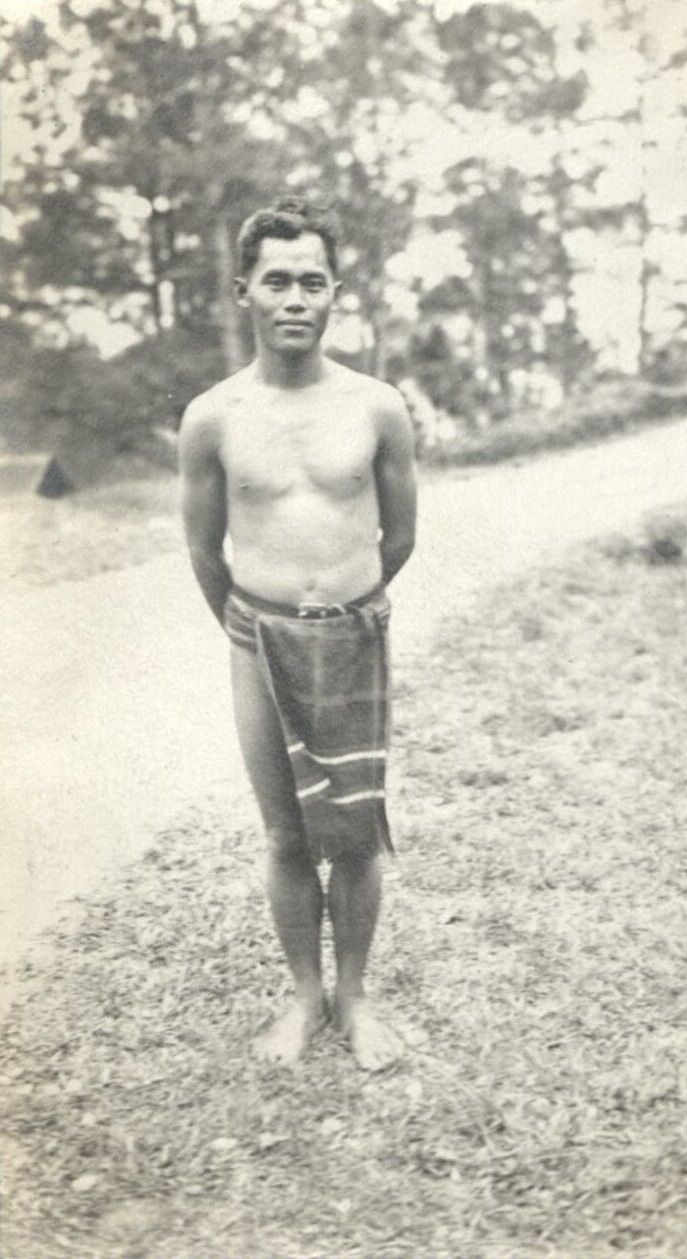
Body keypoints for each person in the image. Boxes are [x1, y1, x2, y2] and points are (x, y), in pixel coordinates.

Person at [179, 198, 417, 1070]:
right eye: (276, 280)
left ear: (334, 294)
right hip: (259, 640)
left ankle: (353, 997)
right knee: (285, 834)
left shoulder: (377, 407)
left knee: (353, 833)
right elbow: (204, 549)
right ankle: (305, 996)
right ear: (243, 291)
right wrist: (260, 628)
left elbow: (400, 536)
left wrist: (340, 611)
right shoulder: (212, 417)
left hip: (353, 636)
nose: (294, 299)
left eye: (311, 281)